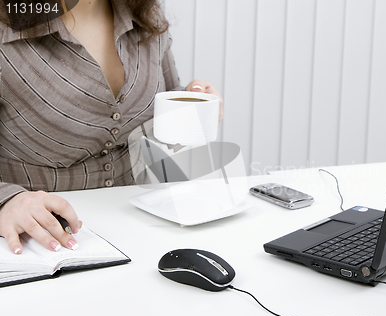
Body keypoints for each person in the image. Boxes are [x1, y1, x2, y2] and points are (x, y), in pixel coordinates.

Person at [0, 0, 222, 254]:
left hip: (144, 232)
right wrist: (6, 200)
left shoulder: (145, 12)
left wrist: (193, 99)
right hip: (41, 247)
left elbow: (163, 101)